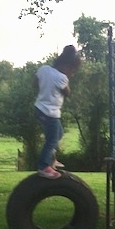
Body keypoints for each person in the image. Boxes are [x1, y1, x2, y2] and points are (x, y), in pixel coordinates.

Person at [34, 45, 82, 179]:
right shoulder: (61, 77)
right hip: (51, 113)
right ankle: (43, 166)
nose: (71, 75)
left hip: (39, 108)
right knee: (52, 139)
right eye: (72, 72)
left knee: (58, 133)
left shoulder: (43, 70)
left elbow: (35, 83)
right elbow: (67, 92)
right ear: (66, 66)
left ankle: (51, 158)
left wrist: (45, 89)